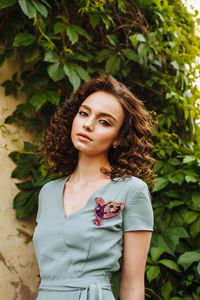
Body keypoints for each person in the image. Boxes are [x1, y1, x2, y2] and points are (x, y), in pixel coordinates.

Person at [33, 74, 156, 300]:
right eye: (84, 113)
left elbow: (132, 285)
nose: (88, 124)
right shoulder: (48, 193)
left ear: (118, 138)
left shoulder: (131, 191)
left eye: (104, 121)